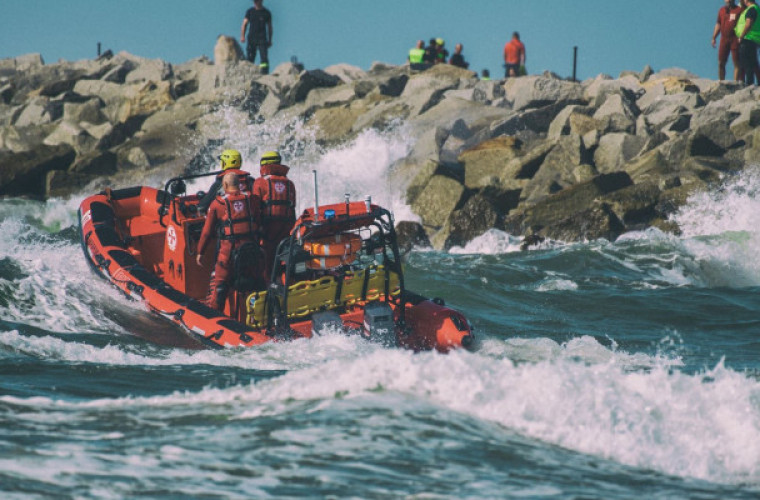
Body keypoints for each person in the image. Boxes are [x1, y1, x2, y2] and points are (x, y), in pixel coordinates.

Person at [196, 173, 263, 311]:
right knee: (256, 283)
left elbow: (207, 232)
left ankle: (215, 316)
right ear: (239, 184)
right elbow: (258, 220)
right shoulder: (251, 199)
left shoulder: (218, 204)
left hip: (228, 254)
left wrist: (200, 252)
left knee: (220, 286)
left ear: (225, 185)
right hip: (251, 252)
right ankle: (259, 315)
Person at [252, 151, 297, 280]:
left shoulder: (260, 182)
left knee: (267, 261)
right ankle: (285, 282)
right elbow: (292, 206)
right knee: (283, 259)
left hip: (268, 229)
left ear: (264, 165)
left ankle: (268, 286)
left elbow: (255, 209)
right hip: (287, 229)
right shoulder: (289, 183)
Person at [198, 149, 253, 214]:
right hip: (248, 217)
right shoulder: (250, 180)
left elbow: (202, 207)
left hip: (226, 219)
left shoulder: (220, 182)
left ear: (225, 163)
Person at [713, 0, 744, 80]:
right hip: (724, 39)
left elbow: (744, 24)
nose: (728, 1)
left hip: (735, 38)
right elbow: (718, 24)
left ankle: (735, 83)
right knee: (721, 62)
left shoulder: (739, 10)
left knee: (737, 62)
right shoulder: (722, 10)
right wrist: (714, 37)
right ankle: (721, 82)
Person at [240, 0, 273, 75]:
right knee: (250, 57)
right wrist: (242, 36)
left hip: (262, 38)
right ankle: (248, 73)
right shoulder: (250, 12)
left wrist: (270, 40)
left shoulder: (266, 13)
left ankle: (264, 72)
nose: (255, 2)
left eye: (257, 1)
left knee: (264, 57)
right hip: (252, 37)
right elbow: (244, 24)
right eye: (254, 1)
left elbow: (269, 27)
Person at [736, 0, 760, 85]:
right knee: (753, 62)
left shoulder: (751, 9)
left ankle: (750, 84)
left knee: (746, 63)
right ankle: (755, 83)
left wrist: (741, 36)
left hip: (748, 38)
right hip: (754, 39)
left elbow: (748, 24)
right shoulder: (756, 9)